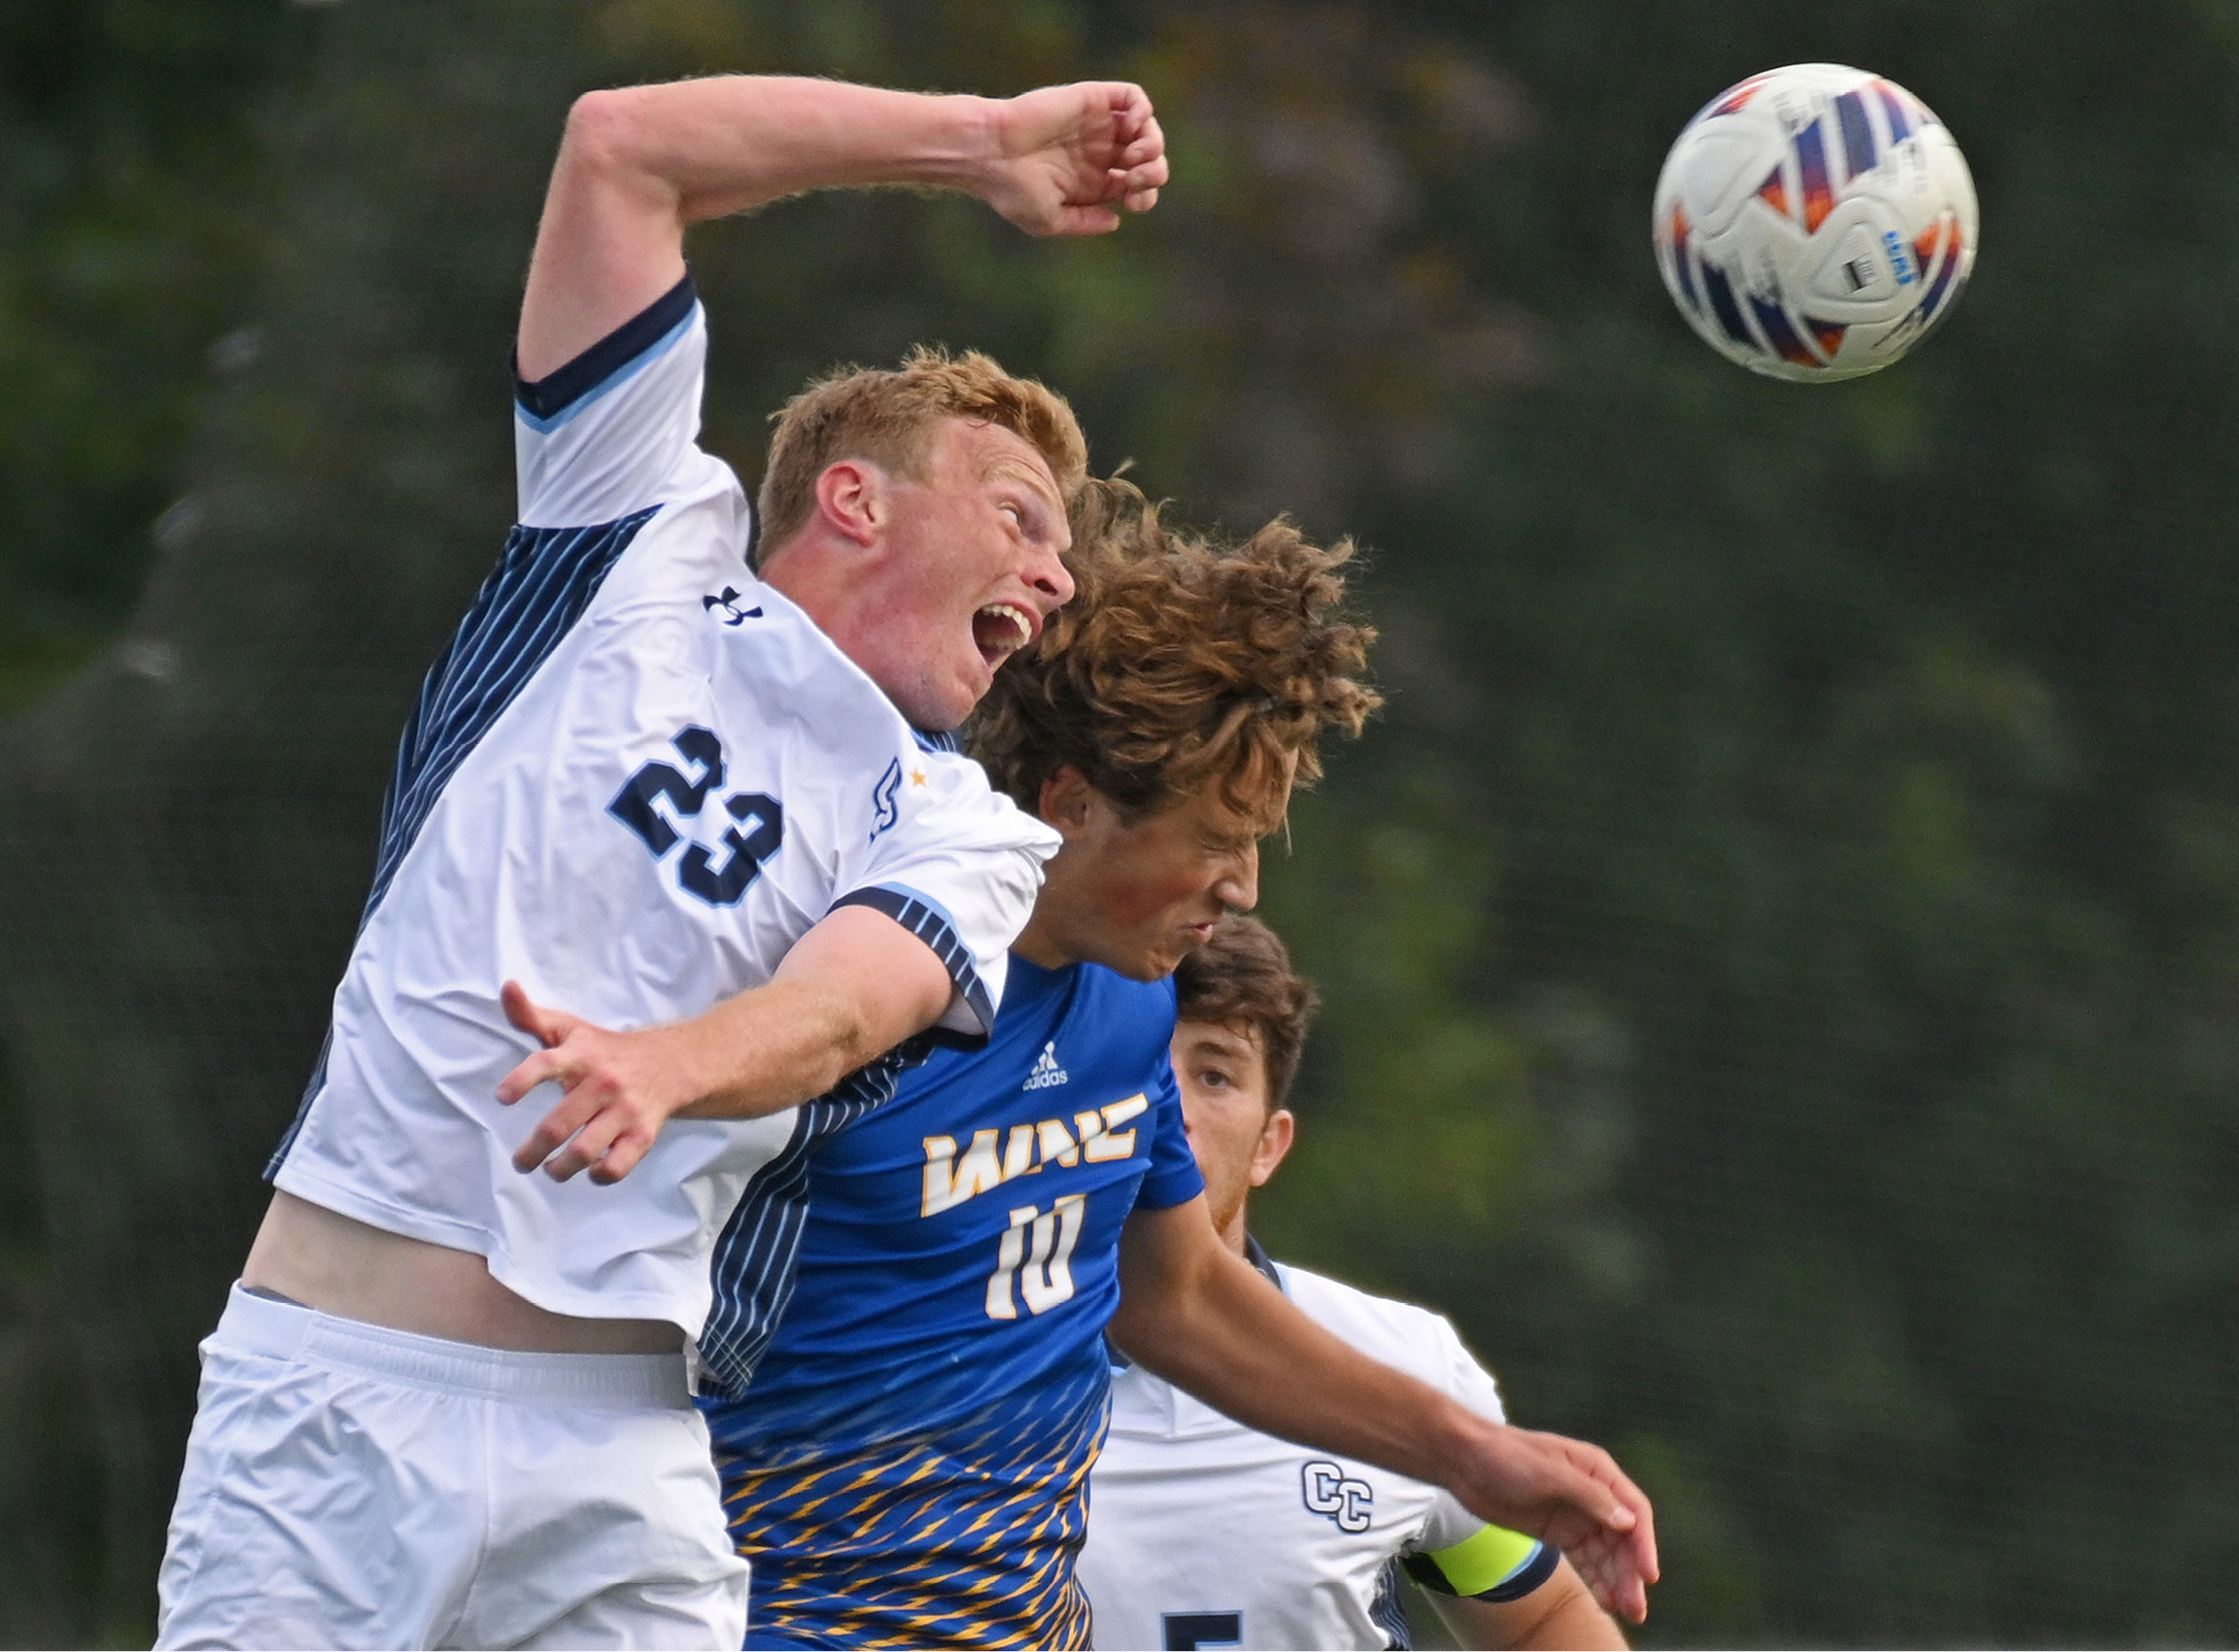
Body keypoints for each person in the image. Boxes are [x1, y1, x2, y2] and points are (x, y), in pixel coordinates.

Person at [154, 75, 1170, 1651]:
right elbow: (622, 148)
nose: (1054, 571)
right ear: (852, 498)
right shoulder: (632, 536)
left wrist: (665, 1066)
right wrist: (981, 149)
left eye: (1063, 558)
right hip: (336, 1402)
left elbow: (845, 1005)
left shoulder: (962, 817)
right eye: (1021, 515)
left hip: (618, 1456)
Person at [701, 479, 1657, 1651]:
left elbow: (1178, 1291)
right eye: (1216, 840)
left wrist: (1473, 1450)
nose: (1245, 887)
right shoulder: (865, 980)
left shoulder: (1129, 999)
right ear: (1075, 805)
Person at [1075, 915, 1630, 1651]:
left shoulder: (1400, 1366)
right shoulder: (943, 1360)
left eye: (1213, 1074)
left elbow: (1542, 1620)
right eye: (1135, 1065)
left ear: (1269, 1146)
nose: (1167, 1115)